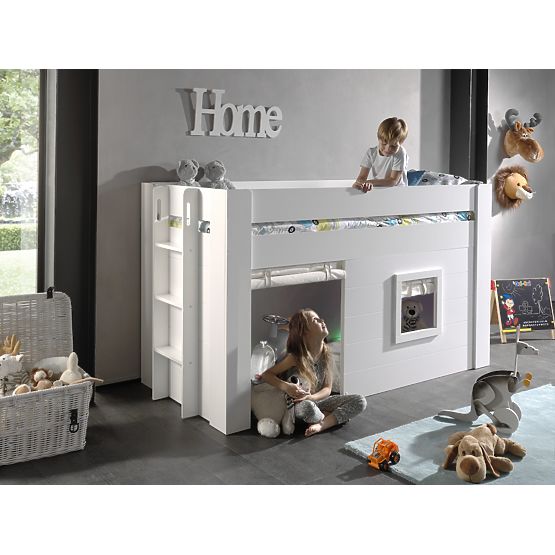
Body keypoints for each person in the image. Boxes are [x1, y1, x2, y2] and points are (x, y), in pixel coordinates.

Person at [258, 308, 367, 437]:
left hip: (318, 400)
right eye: (316, 320)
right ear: (305, 333)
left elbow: (327, 388)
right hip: (300, 406)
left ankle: (321, 424)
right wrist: (286, 387)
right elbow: (267, 375)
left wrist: (312, 397)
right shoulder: (296, 357)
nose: (322, 320)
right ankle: (328, 417)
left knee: (360, 401)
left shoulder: (326, 354)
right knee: (307, 408)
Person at [352, 117, 409, 192]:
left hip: (398, 190)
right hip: (379, 188)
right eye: (384, 144)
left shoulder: (400, 153)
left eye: (393, 146)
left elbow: (393, 181)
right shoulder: (371, 153)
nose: (388, 149)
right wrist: (360, 184)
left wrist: (369, 182)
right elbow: (362, 177)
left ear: (401, 143)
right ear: (378, 139)